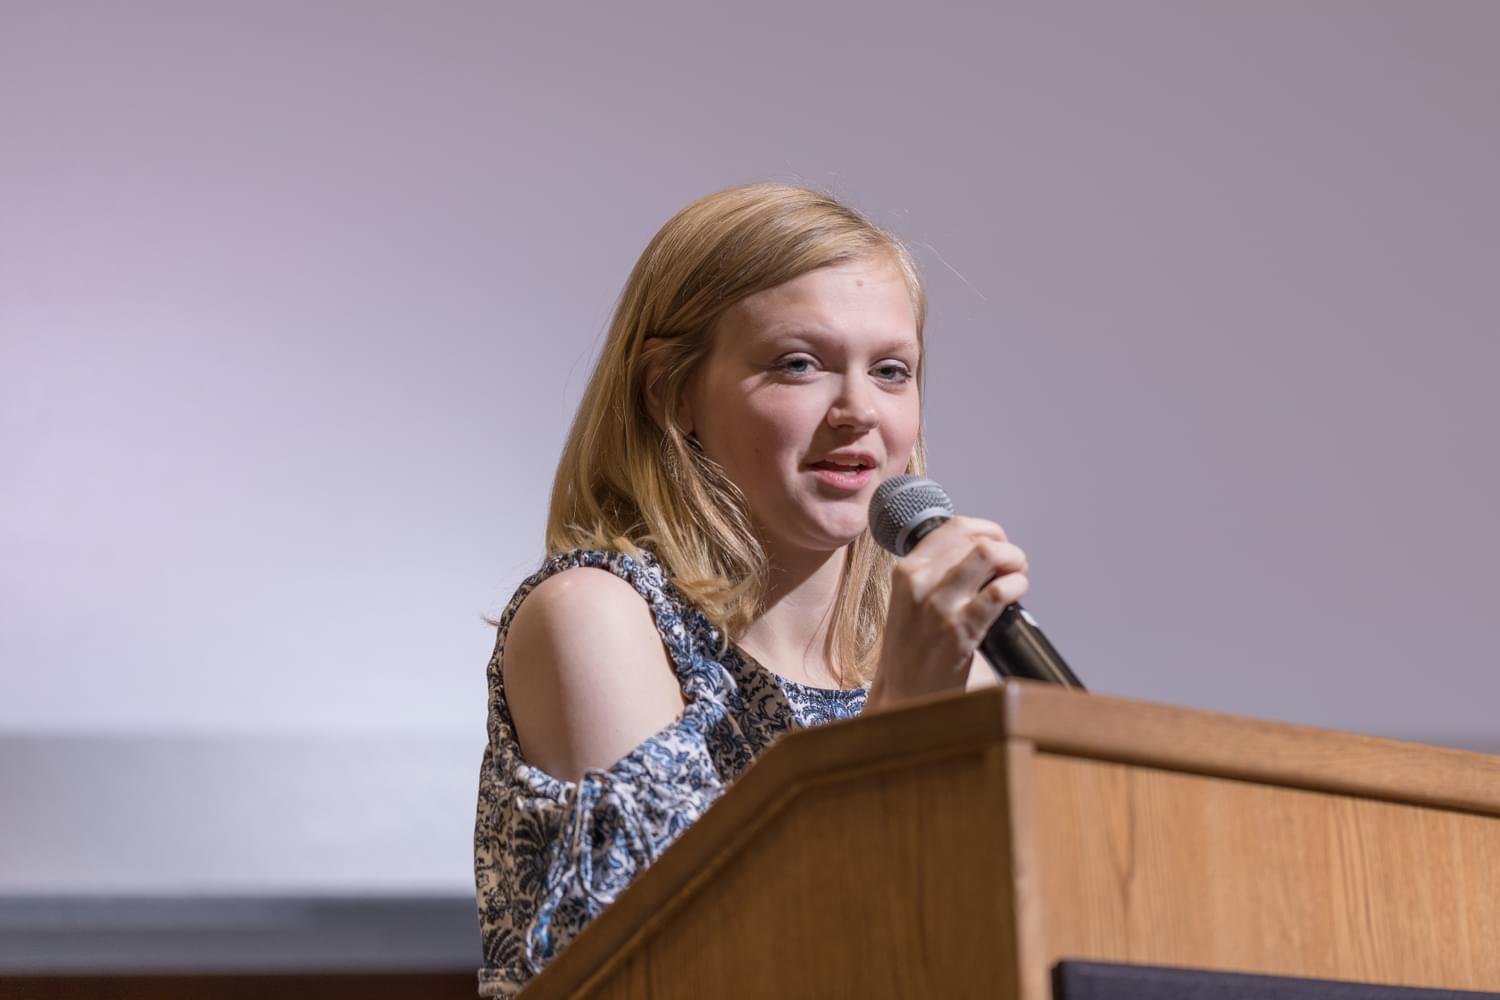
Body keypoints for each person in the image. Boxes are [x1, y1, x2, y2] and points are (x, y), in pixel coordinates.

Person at [473, 182, 1030, 997]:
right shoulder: (599, 619)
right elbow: (686, 968)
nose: (859, 411)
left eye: (890, 370)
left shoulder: (957, 667)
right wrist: (903, 716)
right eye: (799, 364)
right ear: (671, 392)